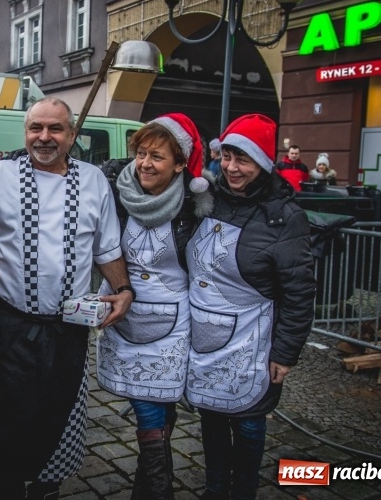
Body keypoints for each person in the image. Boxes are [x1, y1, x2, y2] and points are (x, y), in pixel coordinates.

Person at [0, 97, 134, 500]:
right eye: (35, 127)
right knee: (6, 412)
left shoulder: (94, 181)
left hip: (69, 325)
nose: (44, 137)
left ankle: (47, 488)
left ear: (72, 135)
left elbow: (107, 248)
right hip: (8, 322)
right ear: (25, 132)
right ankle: (7, 488)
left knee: (61, 408)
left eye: (55, 128)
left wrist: (124, 290)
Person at [184, 114, 315, 500]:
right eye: (227, 157)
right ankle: (214, 488)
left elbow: (299, 292)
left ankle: (243, 491)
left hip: (252, 340)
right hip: (204, 335)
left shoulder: (286, 217)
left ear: (263, 163)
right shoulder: (207, 199)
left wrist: (285, 353)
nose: (231, 168)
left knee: (248, 421)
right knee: (211, 412)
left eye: (243, 159)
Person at [96, 113, 213, 499]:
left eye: (157, 156)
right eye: (141, 153)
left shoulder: (195, 206)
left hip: (173, 324)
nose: (144, 163)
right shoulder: (116, 190)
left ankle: (151, 492)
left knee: (157, 409)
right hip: (124, 318)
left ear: (180, 164)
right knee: (149, 409)